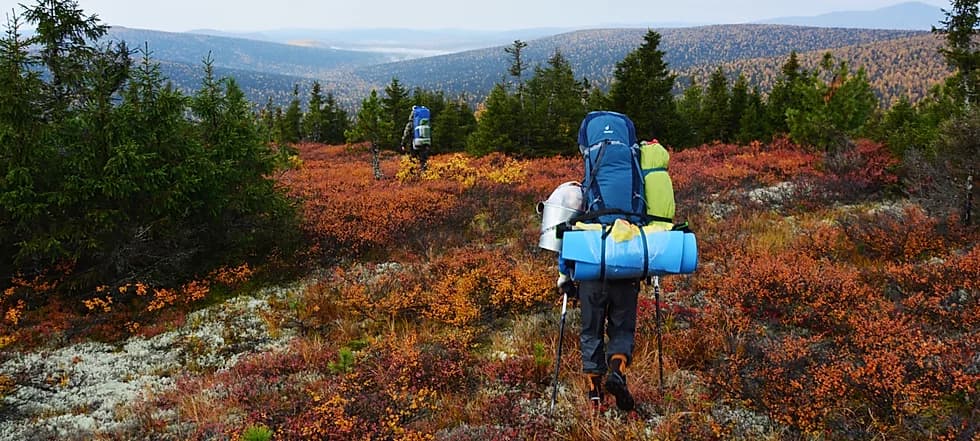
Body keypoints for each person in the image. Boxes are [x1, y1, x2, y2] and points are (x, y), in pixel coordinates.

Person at [558, 259, 639, 411]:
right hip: (626, 276)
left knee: (591, 332)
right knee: (622, 331)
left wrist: (564, 277)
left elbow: (565, 242)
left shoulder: (579, 231)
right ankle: (617, 372)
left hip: (591, 278)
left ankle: (594, 391)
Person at [400, 105, 431, 172]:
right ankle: (425, 175)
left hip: (415, 143)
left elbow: (406, 133)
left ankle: (412, 176)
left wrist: (403, 143)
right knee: (423, 160)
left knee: (413, 159)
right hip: (425, 142)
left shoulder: (411, 123)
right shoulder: (425, 122)